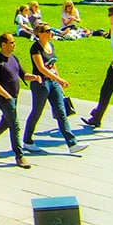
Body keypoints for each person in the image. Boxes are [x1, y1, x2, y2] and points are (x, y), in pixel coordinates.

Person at [0, 32, 41, 168]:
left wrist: (34, 77)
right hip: (5, 99)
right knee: (15, 125)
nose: (14, 45)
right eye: (12, 42)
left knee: (6, 121)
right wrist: (6, 96)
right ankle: (19, 156)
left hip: (13, 97)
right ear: (3, 44)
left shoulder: (13, 58)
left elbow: (23, 74)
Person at [23, 23, 86, 155]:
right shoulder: (35, 47)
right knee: (37, 111)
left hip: (53, 83)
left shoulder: (51, 45)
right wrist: (59, 79)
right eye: (47, 31)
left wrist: (58, 80)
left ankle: (72, 143)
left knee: (61, 112)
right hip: (41, 83)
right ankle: (27, 141)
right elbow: (41, 68)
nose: (50, 32)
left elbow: (53, 65)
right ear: (39, 34)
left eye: (50, 30)